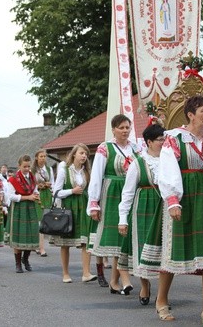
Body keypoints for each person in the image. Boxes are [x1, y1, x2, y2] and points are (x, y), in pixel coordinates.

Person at [156, 96, 203, 323]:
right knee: (174, 250)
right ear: (191, 114)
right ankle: (161, 300)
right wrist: (173, 199)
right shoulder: (175, 138)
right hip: (184, 195)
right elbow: (167, 168)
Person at [87, 114, 138, 295]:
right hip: (111, 194)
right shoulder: (105, 148)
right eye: (121, 128)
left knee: (126, 238)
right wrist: (94, 203)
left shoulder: (136, 148)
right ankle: (119, 280)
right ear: (113, 129)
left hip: (131, 193)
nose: (125, 131)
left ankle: (115, 280)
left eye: (127, 127)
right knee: (117, 237)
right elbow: (96, 176)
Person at [117, 122, 165, 309]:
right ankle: (145, 286)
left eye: (164, 139)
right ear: (149, 142)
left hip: (164, 207)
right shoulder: (138, 163)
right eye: (160, 140)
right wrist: (123, 219)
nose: (163, 143)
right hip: (144, 208)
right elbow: (127, 193)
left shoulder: (171, 160)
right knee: (143, 249)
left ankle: (162, 295)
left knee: (164, 251)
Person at [51, 143, 97, 283]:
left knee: (85, 241)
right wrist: (72, 191)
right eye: (81, 153)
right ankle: (65, 273)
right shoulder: (65, 169)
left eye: (86, 154)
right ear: (74, 154)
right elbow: (56, 193)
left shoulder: (87, 171)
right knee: (65, 243)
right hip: (68, 208)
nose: (84, 156)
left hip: (83, 207)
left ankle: (86, 273)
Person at [7, 155, 41, 273]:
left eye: (28, 166)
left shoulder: (32, 177)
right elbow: (10, 196)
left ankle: (25, 260)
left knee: (31, 235)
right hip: (19, 208)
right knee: (18, 236)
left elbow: (35, 190)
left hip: (30, 208)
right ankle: (18, 264)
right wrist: (27, 197)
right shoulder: (13, 179)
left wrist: (36, 195)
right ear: (19, 166)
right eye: (24, 166)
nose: (27, 168)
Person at [32, 149, 55, 257]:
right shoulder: (33, 170)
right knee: (39, 221)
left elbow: (53, 183)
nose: (43, 158)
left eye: (45, 156)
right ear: (36, 157)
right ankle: (41, 247)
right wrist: (38, 186)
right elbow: (30, 185)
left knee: (45, 220)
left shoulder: (49, 169)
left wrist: (49, 186)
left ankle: (39, 245)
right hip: (38, 195)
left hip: (47, 195)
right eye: (41, 156)